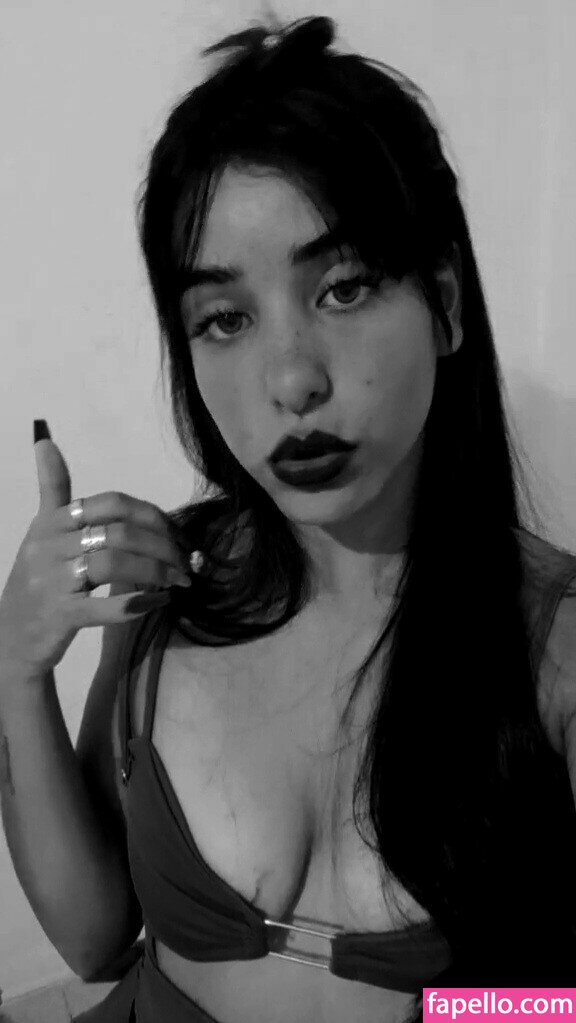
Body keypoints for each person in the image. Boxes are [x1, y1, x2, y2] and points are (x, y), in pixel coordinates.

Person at [1, 13, 576, 1023]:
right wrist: (16, 665)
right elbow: (94, 939)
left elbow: (555, 1004)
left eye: (343, 287)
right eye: (224, 318)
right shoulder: (171, 585)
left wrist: (472, 1010)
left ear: (444, 302)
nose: (291, 379)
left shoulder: (555, 646)